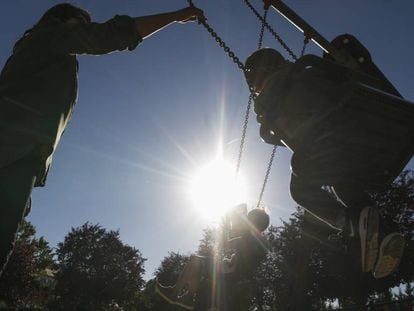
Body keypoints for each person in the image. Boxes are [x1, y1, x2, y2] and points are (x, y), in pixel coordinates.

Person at [0, 3, 205, 276]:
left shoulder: (47, 56)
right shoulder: (50, 36)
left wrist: (25, 184)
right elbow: (110, 35)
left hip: (20, 156)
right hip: (12, 150)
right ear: (65, 20)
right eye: (82, 22)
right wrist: (175, 16)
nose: (85, 28)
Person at [243, 34, 413, 279]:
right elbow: (347, 78)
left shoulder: (270, 94)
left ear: (258, 77)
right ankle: (380, 231)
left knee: (300, 186)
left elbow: (269, 130)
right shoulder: (311, 69)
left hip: (330, 137)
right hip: (371, 131)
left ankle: (352, 224)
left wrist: (265, 111)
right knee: (341, 178)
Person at [155, 206, 270, 310]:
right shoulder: (255, 239)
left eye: (249, 220)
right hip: (232, 271)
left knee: (196, 260)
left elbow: (226, 243)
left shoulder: (251, 238)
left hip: (231, 272)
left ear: (254, 221)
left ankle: (177, 294)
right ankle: (187, 297)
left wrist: (230, 220)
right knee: (196, 262)